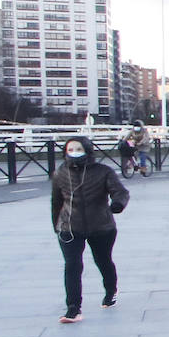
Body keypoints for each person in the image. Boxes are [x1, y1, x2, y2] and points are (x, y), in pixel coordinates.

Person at [51, 137, 129, 323]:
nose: (74, 152)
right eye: (71, 149)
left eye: (79, 148)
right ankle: (73, 308)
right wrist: (56, 224)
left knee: (102, 261)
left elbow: (120, 191)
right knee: (72, 265)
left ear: (87, 150)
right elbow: (56, 201)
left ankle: (111, 290)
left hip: (101, 226)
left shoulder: (103, 172)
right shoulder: (60, 173)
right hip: (70, 227)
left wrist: (117, 204)